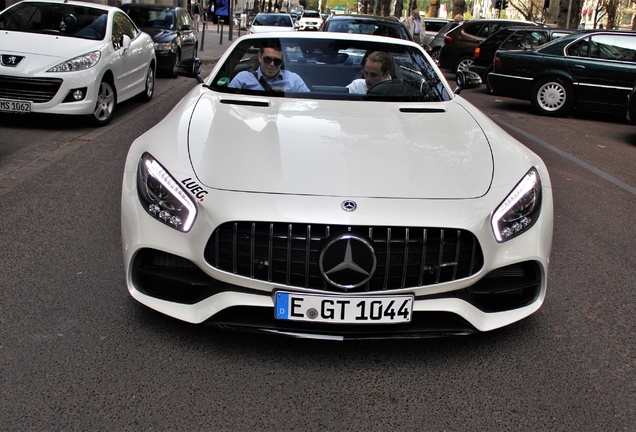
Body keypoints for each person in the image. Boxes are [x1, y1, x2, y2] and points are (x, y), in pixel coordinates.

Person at [228, 44, 310, 93]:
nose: (272, 64)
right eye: (268, 59)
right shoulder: (242, 78)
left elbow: (309, 104)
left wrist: (286, 99)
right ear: (260, 57)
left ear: (282, 62)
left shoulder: (294, 79)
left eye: (277, 61)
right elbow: (227, 102)